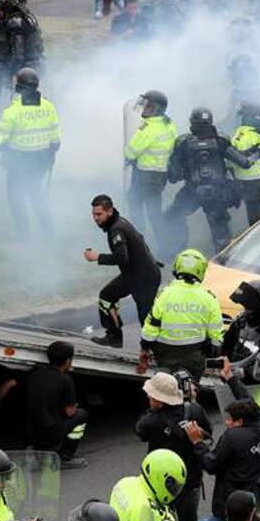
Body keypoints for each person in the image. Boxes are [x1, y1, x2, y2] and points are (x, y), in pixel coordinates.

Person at [178, 398, 260, 521]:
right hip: (251, 505)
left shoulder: (232, 436)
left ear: (240, 421)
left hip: (228, 508)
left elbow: (211, 465)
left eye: (230, 419)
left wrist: (197, 443)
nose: (227, 423)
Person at [165, 106, 260, 255]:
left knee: (172, 216)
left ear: (192, 121)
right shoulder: (221, 140)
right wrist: (257, 153)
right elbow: (244, 163)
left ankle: (178, 249)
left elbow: (173, 176)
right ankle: (225, 260)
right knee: (221, 235)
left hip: (192, 192)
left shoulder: (182, 142)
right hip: (217, 194)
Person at [135, 372, 212, 521]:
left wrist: (151, 411)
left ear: (159, 401)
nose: (148, 398)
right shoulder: (194, 410)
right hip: (190, 480)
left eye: (151, 396)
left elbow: (140, 432)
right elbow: (208, 432)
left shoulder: (151, 421)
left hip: (159, 484)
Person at [86, 194, 162, 348]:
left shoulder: (116, 229)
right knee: (108, 297)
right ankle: (115, 337)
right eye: (93, 214)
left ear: (110, 211)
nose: (96, 218)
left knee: (145, 316)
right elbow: (140, 239)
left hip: (142, 278)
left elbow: (122, 257)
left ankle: (156, 349)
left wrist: (97, 257)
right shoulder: (121, 222)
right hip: (139, 275)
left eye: (99, 214)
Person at [139, 249, 224, 380]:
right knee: (191, 390)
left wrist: (145, 349)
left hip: (165, 355)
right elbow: (216, 336)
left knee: (163, 389)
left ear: (177, 268)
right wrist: (213, 356)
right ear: (201, 271)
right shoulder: (209, 299)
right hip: (194, 356)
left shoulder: (164, 295)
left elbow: (151, 327)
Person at [0, 67, 58, 236]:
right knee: (36, 195)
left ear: (19, 87)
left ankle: (24, 235)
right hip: (41, 162)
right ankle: (49, 233)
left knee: (15, 198)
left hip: (19, 164)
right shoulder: (49, 106)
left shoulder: (12, 112)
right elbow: (56, 140)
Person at [109, 448, 186, 521]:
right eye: (174, 487)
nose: (174, 492)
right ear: (164, 480)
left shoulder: (125, 482)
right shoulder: (144, 511)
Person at [25, 341, 88, 469]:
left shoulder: (35, 373)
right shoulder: (66, 380)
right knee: (81, 415)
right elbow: (70, 412)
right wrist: (75, 404)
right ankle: (65, 457)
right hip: (49, 434)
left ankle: (36, 450)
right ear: (68, 361)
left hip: (29, 432)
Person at [124, 91, 176, 236]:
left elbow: (130, 152)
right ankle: (163, 243)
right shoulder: (168, 124)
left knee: (135, 202)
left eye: (147, 106)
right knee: (153, 209)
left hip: (145, 175)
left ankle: (138, 236)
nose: (143, 109)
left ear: (155, 109)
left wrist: (128, 155)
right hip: (160, 174)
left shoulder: (149, 128)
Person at [230, 102, 260, 226]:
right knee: (256, 209)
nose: (241, 117)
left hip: (251, 182)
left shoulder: (254, 134)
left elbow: (240, 158)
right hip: (253, 180)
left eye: (243, 114)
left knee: (255, 219)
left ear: (249, 116)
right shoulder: (257, 131)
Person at [0, 0, 43, 75]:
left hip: (26, 68)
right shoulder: (25, 15)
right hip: (35, 61)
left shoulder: (15, 22)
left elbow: (18, 56)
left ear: (5, 5)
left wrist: (10, 75)